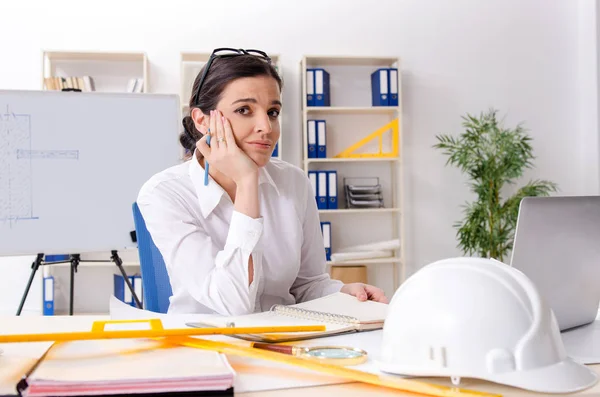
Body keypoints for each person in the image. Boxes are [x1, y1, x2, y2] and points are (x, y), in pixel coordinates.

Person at [137, 48, 388, 316]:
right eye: (244, 110)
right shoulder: (164, 193)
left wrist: (341, 294)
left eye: (272, 112)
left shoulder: (293, 182)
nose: (266, 127)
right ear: (202, 120)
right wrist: (247, 183)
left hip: (284, 340)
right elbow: (233, 304)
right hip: (205, 345)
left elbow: (306, 285)